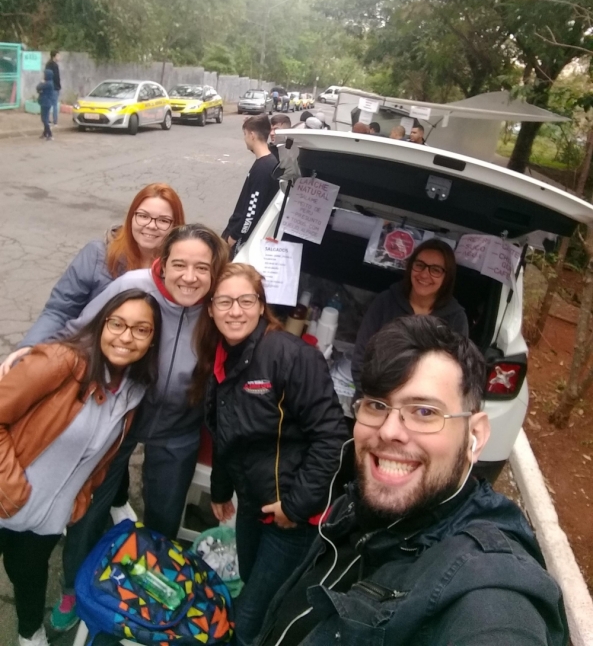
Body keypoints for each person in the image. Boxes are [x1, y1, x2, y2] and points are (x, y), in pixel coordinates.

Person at [258, 317, 568, 646]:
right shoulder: (356, 506)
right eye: (377, 405)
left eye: (423, 412)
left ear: (474, 435)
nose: (390, 430)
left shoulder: (488, 586)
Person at [48, 223, 228, 631]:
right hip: (119, 417)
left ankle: (148, 583)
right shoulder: (134, 285)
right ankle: (74, 586)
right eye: (179, 264)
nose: (190, 276)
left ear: (215, 272)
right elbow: (79, 333)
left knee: (164, 515)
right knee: (89, 509)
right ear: (162, 265)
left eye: (202, 267)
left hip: (181, 426)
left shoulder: (220, 304)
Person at [0, 183, 185, 529]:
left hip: (136, 377)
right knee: (65, 436)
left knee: (113, 446)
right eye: (143, 215)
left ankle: (106, 498)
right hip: (90, 372)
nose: (150, 225)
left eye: (164, 220)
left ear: (176, 226)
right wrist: (30, 349)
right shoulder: (99, 254)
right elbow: (59, 309)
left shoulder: (177, 268)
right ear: (131, 216)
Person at [195, 264, 349, 646]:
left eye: (246, 301)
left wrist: (295, 507)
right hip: (253, 502)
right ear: (210, 308)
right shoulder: (221, 356)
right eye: (224, 301)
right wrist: (219, 489)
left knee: (249, 616)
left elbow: (332, 438)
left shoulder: (290, 356)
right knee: (251, 581)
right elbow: (226, 432)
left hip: (292, 517)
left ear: (261, 305)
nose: (235, 311)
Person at [0, 289, 162, 646]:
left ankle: (29, 633)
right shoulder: (61, 362)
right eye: (117, 323)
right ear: (100, 325)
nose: (125, 336)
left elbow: (102, 455)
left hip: (46, 518)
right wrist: (9, 488)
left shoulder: (133, 391)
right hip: (5, 499)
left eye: (140, 329)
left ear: (153, 341)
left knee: (28, 574)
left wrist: (81, 498)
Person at [351, 238, 468, 391]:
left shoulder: (456, 318)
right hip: (376, 397)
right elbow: (361, 356)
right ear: (410, 267)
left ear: (447, 277)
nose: (425, 274)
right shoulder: (385, 302)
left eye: (435, 270)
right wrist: (373, 399)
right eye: (420, 265)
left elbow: (457, 375)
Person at [222, 115, 278, 255]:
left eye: (245, 134)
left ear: (252, 135)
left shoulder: (263, 168)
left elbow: (251, 210)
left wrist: (234, 237)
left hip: (241, 237)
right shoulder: (269, 161)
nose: (244, 138)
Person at [36, 68, 54, 141]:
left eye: (44, 74)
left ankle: (49, 134)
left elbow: (38, 87)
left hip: (46, 103)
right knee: (44, 118)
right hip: (45, 102)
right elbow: (39, 90)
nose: (43, 76)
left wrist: (41, 82)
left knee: (44, 119)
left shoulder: (48, 83)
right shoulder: (49, 83)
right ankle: (45, 133)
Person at [45, 50, 61, 126]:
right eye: (58, 55)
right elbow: (57, 77)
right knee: (55, 105)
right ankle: (55, 122)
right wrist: (58, 86)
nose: (59, 57)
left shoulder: (47, 64)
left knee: (48, 104)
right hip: (55, 87)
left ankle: (47, 120)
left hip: (48, 86)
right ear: (54, 56)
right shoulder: (55, 65)